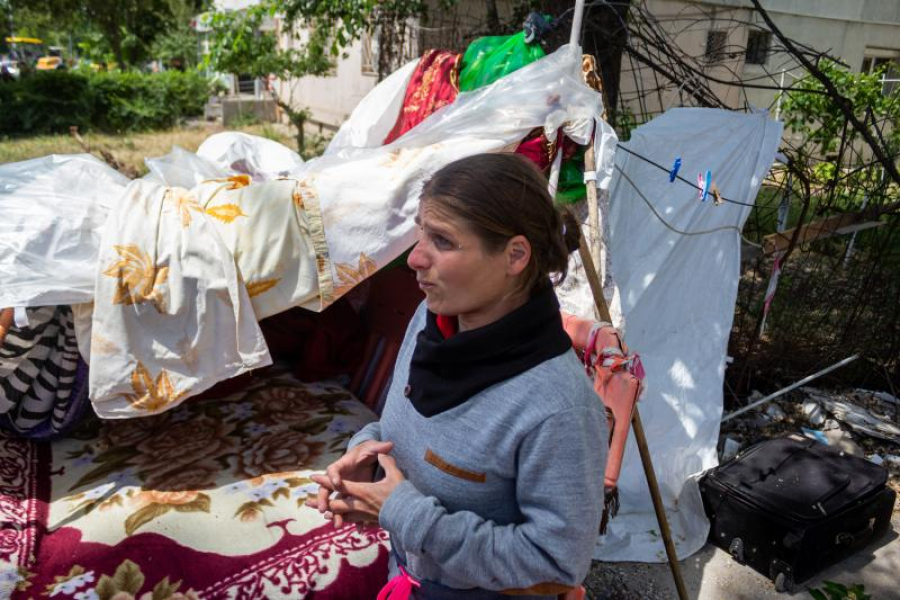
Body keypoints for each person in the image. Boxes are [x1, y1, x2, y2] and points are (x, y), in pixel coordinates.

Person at [308, 153, 608, 599]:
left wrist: (404, 513)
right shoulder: (430, 322)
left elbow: (556, 564)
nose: (414, 258)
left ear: (515, 255)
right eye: (421, 233)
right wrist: (366, 458)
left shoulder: (558, 408)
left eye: (443, 242)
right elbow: (409, 433)